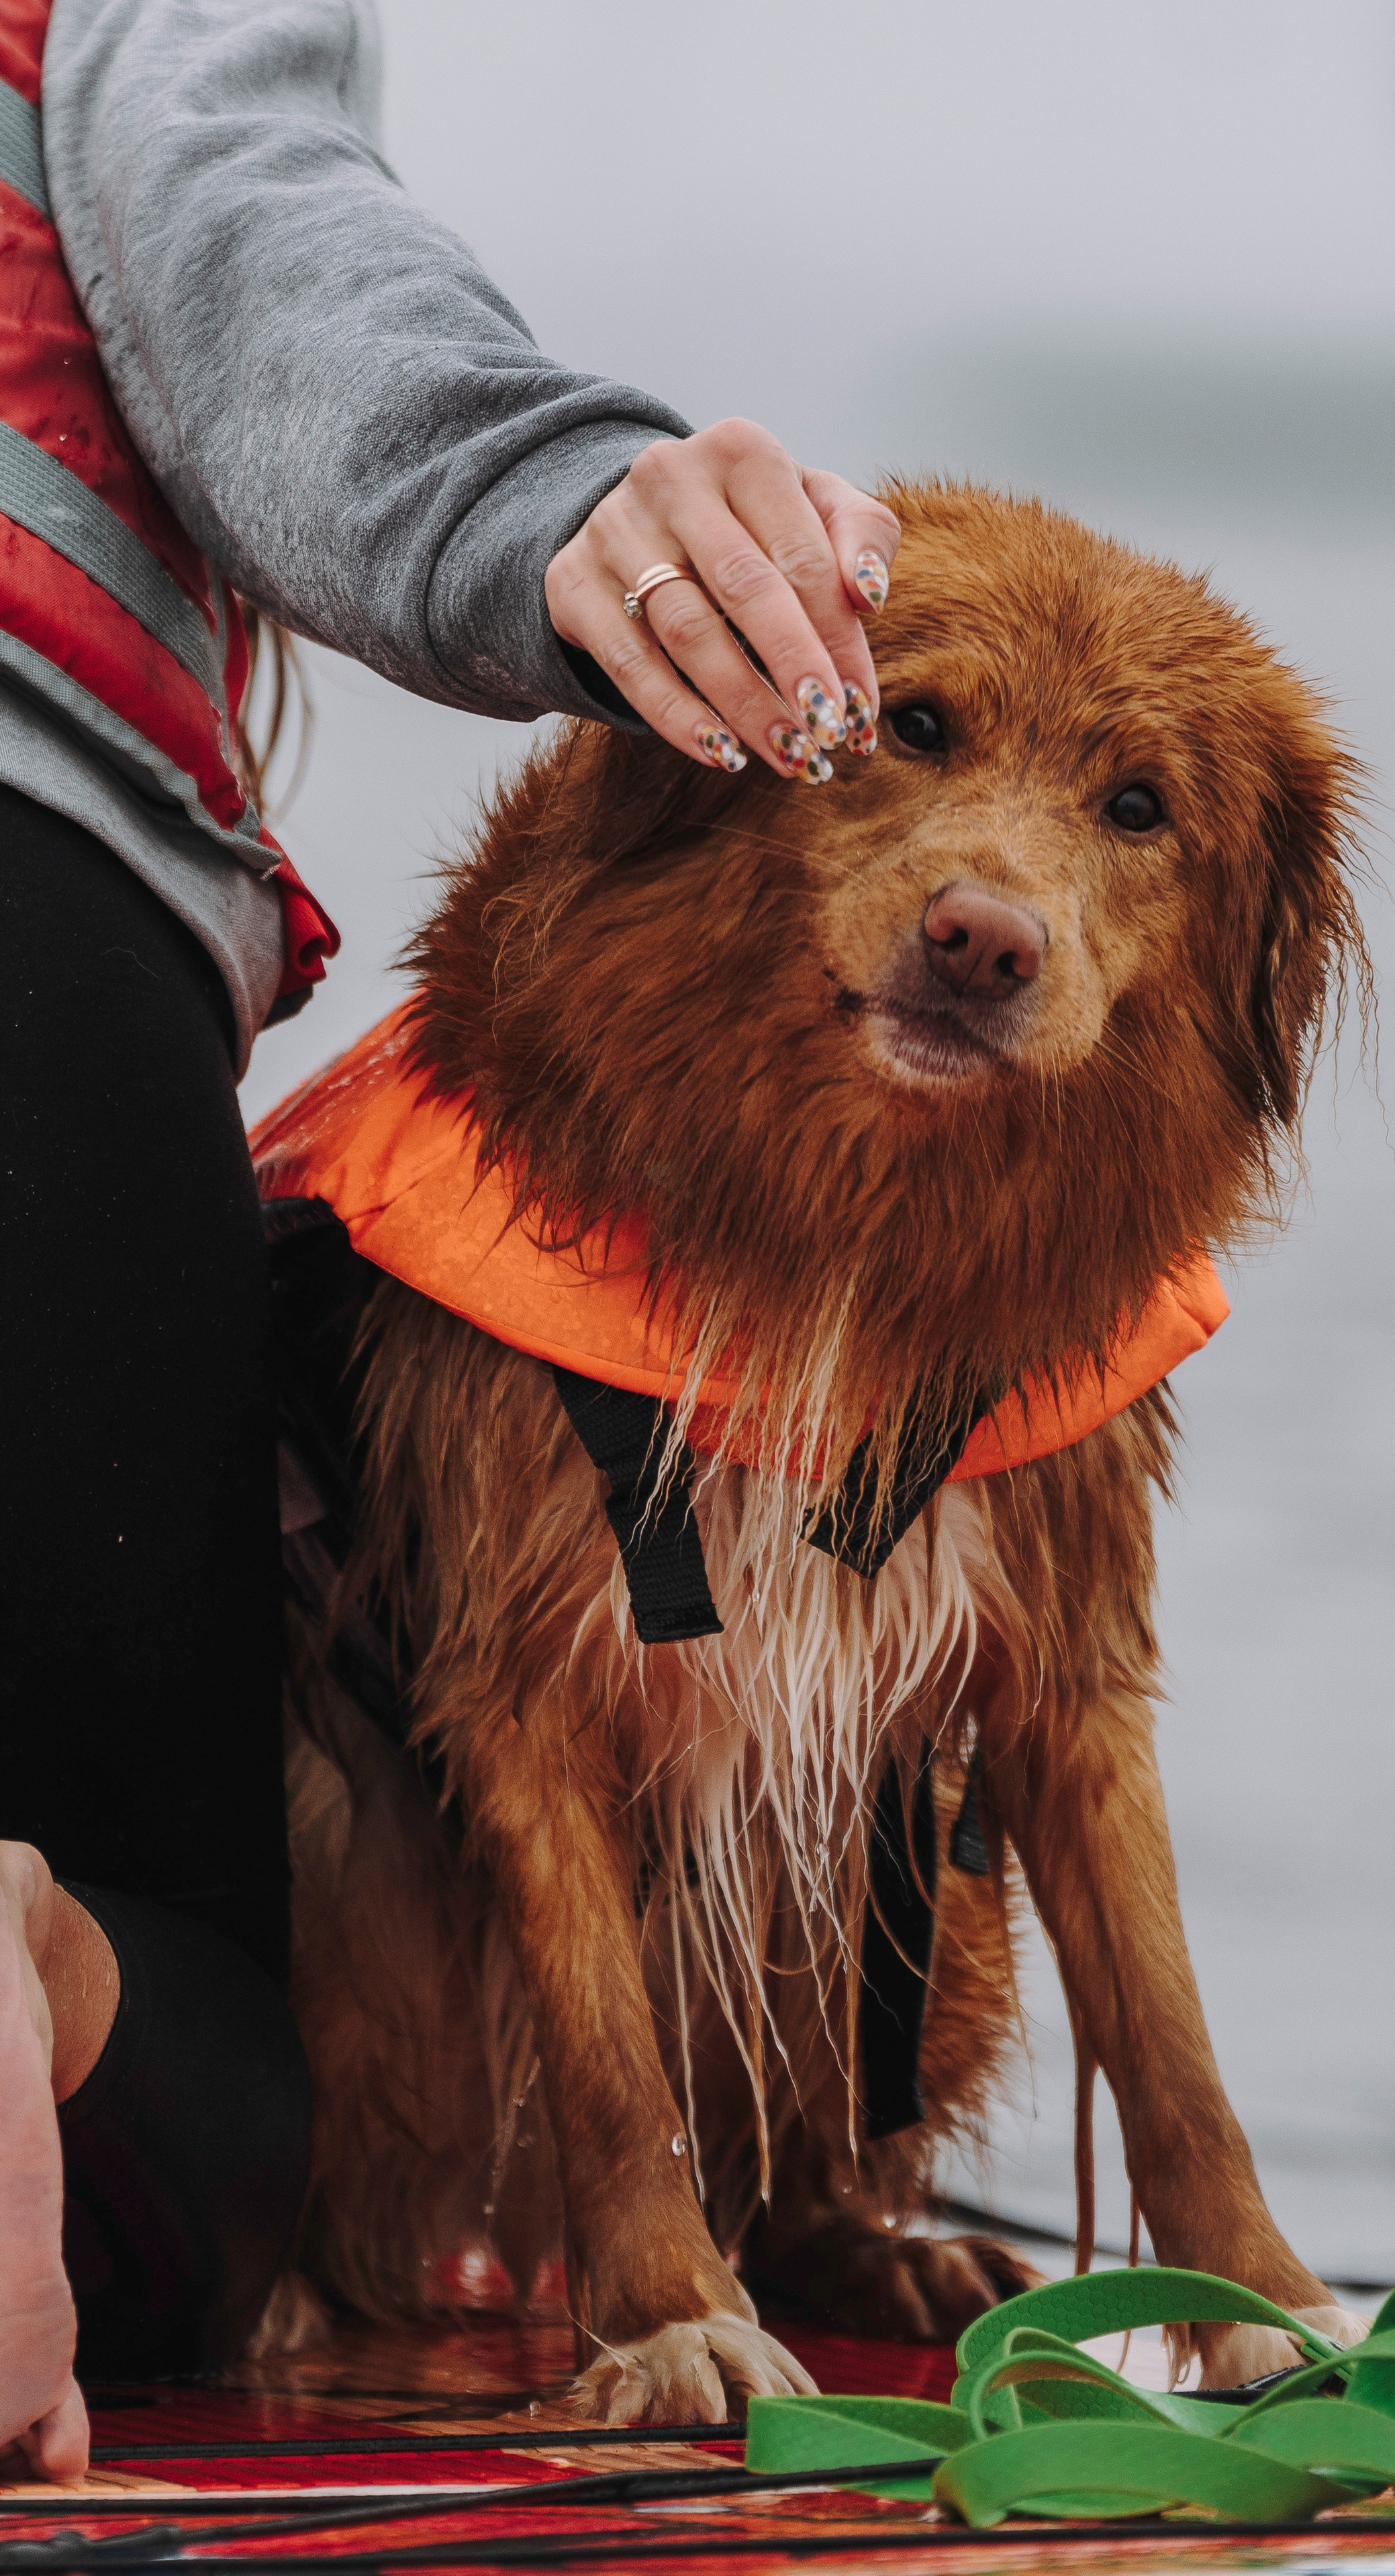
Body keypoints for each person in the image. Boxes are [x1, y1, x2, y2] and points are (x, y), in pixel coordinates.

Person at [0, 0, 900, 2480]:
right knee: (197, 2084)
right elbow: (258, 243)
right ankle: (34, 1970)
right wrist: (559, 498)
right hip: (27, 887)